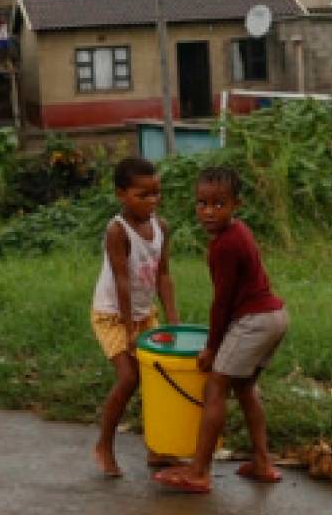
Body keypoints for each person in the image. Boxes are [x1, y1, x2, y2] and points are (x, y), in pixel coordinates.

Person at [153, 168, 290, 493]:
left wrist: (212, 347)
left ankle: (198, 471)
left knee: (215, 388)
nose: (209, 212)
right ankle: (262, 462)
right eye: (202, 203)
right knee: (244, 389)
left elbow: (222, 304)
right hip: (276, 316)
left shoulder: (224, 246)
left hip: (254, 321)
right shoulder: (238, 232)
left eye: (219, 204)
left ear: (236, 204)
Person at [90, 157, 179, 478]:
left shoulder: (161, 227)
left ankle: (158, 449)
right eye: (143, 195)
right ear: (121, 195)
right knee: (129, 378)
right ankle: (104, 445)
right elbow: (121, 280)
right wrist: (129, 331)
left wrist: (172, 321)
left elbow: (164, 276)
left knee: (160, 378)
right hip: (113, 315)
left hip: (145, 314)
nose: (152, 201)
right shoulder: (118, 231)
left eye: (156, 193)